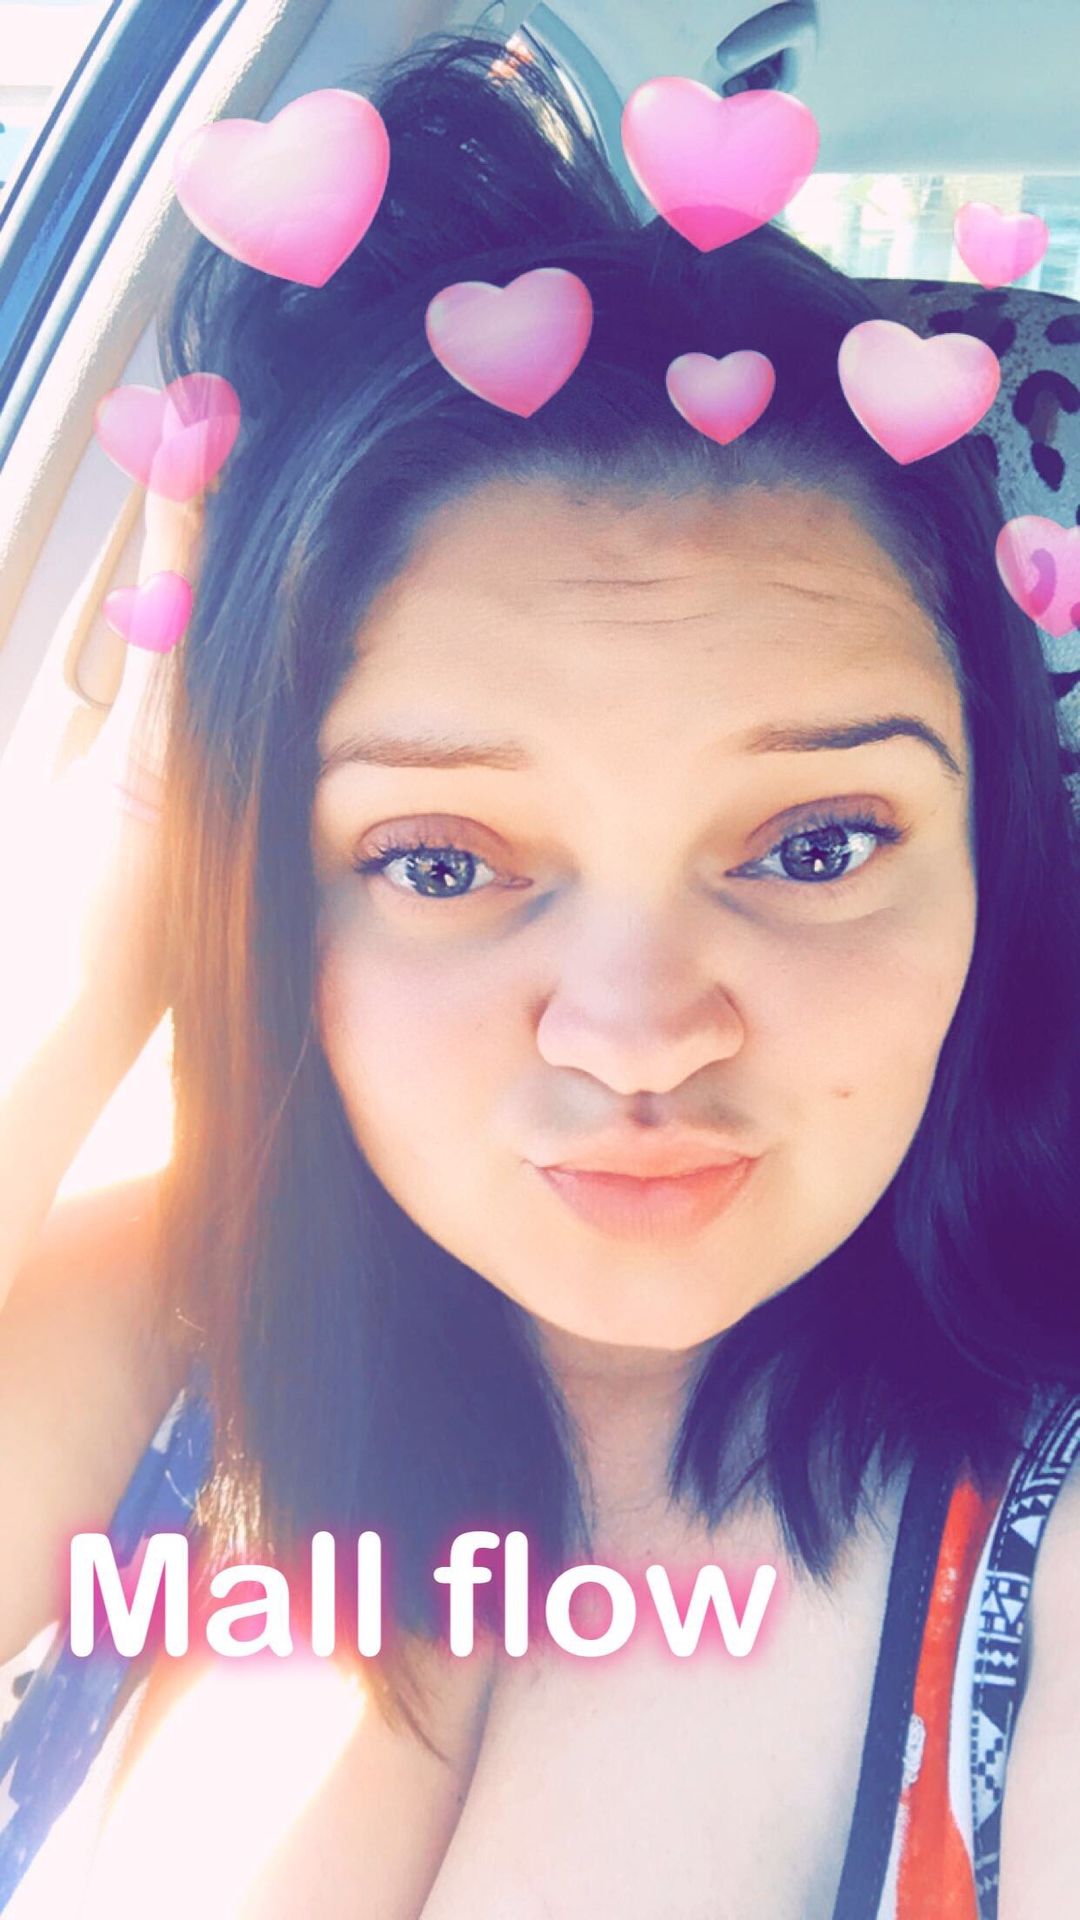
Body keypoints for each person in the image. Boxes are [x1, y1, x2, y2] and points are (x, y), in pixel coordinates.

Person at [1, 29, 1079, 1920]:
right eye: (439, 862)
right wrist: (113, 919)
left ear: (996, 867)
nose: (640, 1034)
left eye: (816, 847)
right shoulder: (175, 1322)